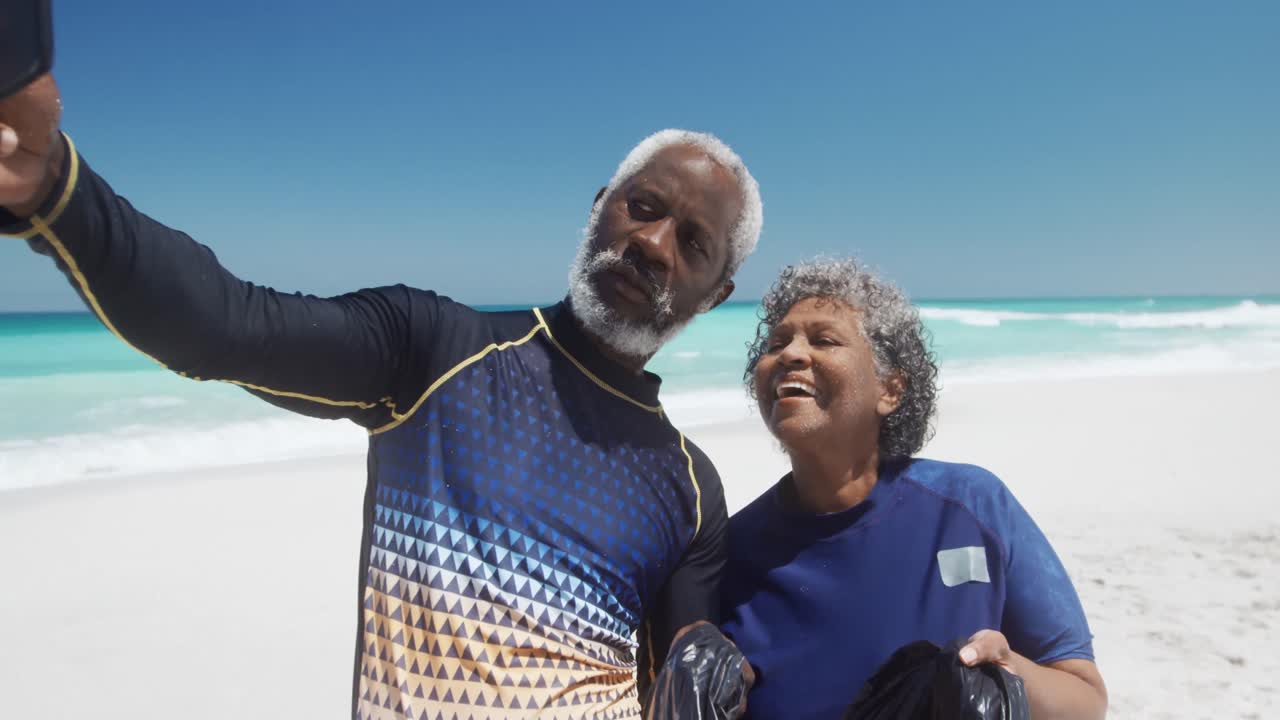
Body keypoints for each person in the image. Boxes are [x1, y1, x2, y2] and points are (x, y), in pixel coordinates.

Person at [0, 76, 763, 720]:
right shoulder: (435, 352)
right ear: (601, 205)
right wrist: (55, 191)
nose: (655, 244)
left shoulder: (690, 489)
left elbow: (684, 677)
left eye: (692, 242)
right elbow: (224, 325)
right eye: (644, 206)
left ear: (714, 293)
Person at [719, 258, 1108, 720]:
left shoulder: (972, 505)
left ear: (890, 390)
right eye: (776, 342)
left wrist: (1008, 675)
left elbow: (1086, 700)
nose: (789, 354)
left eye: (823, 340)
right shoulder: (733, 550)